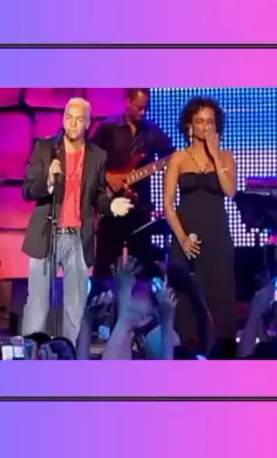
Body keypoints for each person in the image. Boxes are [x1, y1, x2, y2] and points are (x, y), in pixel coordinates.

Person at [21, 98, 132, 346]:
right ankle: (31, 356)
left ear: (87, 123)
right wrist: (48, 183)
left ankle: (70, 356)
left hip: (79, 239)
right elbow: (27, 190)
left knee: (76, 306)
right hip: (46, 235)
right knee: (38, 303)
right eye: (68, 118)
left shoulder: (97, 156)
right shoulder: (45, 149)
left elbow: (97, 195)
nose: (72, 124)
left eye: (79, 119)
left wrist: (111, 206)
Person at [163, 97, 237, 353]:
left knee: (220, 297)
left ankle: (221, 356)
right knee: (185, 301)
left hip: (217, 236)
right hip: (186, 238)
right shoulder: (178, 158)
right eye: (200, 121)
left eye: (210, 122)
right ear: (189, 125)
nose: (205, 127)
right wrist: (182, 238)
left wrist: (216, 156)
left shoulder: (226, 157)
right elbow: (168, 204)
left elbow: (230, 191)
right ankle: (184, 355)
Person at [91, 88, 174, 280]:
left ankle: (144, 296)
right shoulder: (108, 127)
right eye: (138, 107)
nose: (142, 113)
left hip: (140, 205)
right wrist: (108, 177)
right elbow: (90, 159)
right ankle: (100, 294)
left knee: (142, 261)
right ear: (128, 102)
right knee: (106, 260)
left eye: (146, 108)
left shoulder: (152, 132)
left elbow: (171, 155)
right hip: (111, 203)